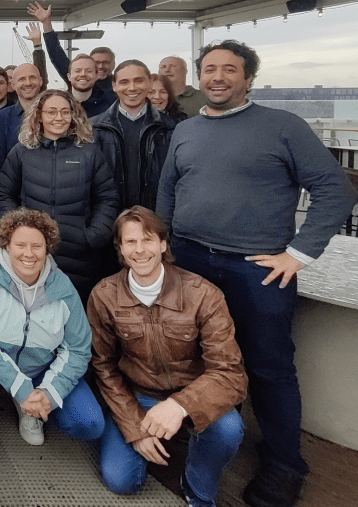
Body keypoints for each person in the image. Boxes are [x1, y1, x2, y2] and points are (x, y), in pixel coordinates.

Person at [157, 40, 356, 507]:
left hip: (255, 268)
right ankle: (200, 429)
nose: (217, 77)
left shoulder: (283, 126)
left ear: (248, 79)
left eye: (229, 70)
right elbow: (168, 191)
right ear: (199, 77)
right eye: (210, 69)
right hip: (190, 261)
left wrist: (299, 254)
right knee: (193, 354)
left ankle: (284, 463)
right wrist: (163, 250)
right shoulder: (185, 130)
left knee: (269, 367)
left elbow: (335, 189)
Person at [90, 207, 247, 507]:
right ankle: (138, 439)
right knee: (120, 480)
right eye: (130, 242)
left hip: (194, 391)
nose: (140, 250)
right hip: (138, 395)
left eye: (148, 240)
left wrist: (180, 405)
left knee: (228, 429)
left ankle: (197, 488)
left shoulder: (203, 294)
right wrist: (134, 428)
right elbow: (103, 366)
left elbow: (230, 372)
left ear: (163, 244)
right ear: (121, 249)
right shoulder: (104, 295)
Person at [0, 208, 103, 481]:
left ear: (48, 248)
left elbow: (79, 349)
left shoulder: (64, 289)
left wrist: (49, 393)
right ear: (6, 245)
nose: (28, 254)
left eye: (37, 246)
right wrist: (20, 386)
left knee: (90, 423)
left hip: (40, 367)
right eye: (20, 245)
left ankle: (32, 407)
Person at [0, 89, 118, 303]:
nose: (59, 117)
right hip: (33, 253)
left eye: (65, 112)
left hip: (80, 254)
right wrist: (18, 231)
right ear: (39, 116)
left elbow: (107, 197)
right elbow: (5, 193)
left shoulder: (89, 153)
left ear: (73, 115)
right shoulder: (22, 152)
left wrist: (94, 235)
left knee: (75, 312)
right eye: (51, 112)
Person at [91, 60, 176, 211]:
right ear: (114, 86)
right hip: (107, 218)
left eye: (138, 81)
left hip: (155, 218)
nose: (132, 88)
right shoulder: (92, 128)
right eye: (124, 82)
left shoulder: (170, 128)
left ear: (150, 83)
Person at [27, 1, 115, 115]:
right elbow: (57, 56)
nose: (101, 66)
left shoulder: (117, 93)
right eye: (97, 63)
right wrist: (46, 24)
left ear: (113, 64)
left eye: (106, 62)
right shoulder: (67, 95)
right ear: (69, 76)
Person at [0, 61, 45, 167]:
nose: (28, 83)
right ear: (13, 85)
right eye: (21, 79)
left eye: (32, 77)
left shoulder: (54, 115)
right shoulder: (2, 118)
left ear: (41, 81)